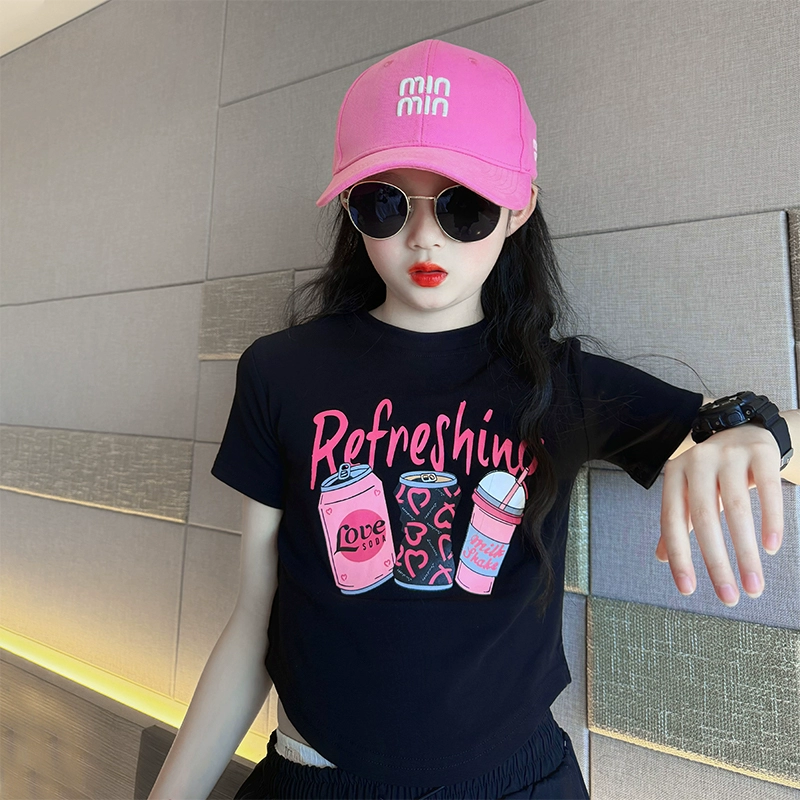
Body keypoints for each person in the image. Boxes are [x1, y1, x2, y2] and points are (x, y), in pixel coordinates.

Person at [148, 39, 796, 800]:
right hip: (313, 777)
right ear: (351, 210)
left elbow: (749, 435)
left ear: (518, 209)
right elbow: (255, 617)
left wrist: (749, 427)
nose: (423, 237)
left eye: (465, 206)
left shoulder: (558, 383)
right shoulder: (280, 372)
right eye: (385, 203)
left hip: (516, 781)